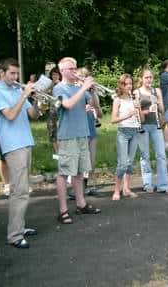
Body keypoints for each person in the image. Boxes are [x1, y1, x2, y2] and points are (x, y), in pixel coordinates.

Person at [0, 58, 39, 249]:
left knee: (23, 189)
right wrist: (24, 96)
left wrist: (36, 102)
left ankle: (20, 227)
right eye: (12, 73)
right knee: (19, 191)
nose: (16, 77)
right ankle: (14, 235)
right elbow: (10, 115)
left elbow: (32, 115)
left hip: (26, 141)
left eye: (17, 73)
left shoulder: (17, 90)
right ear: (1, 73)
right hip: (12, 145)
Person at [53, 57, 101, 225]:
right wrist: (84, 88)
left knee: (80, 172)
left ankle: (81, 204)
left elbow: (93, 104)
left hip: (82, 134)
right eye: (70, 68)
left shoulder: (78, 87)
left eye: (75, 67)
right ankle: (63, 211)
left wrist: (92, 90)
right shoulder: (59, 88)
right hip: (67, 136)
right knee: (64, 172)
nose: (74, 71)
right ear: (62, 71)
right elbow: (68, 105)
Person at [135, 69, 168, 194]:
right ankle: (148, 184)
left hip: (156, 126)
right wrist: (144, 111)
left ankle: (163, 185)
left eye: (150, 77)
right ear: (142, 78)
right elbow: (135, 111)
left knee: (161, 155)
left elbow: (162, 110)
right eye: (146, 77)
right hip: (143, 126)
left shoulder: (156, 91)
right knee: (145, 156)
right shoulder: (137, 92)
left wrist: (157, 102)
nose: (149, 80)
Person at [110, 74, 143, 200]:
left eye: (130, 84)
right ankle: (116, 190)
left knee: (129, 163)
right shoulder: (117, 100)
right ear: (121, 85)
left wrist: (139, 109)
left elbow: (142, 119)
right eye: (126, 84)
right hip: (123, 132)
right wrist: (128, 115)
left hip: (135, 131)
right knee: (122, 163)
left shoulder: (134, 99)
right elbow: (113, 120)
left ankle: (127, 189)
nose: (129, 86)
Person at [76, 67, 102, 196]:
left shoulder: (91, 92)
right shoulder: (76, 91)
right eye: (83, 77)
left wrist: (93, 94)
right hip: (80, 131)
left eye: (87, 76)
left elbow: (100, 113)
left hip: (92, 130)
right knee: (81, 162)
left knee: (91, 162)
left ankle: (84, 187)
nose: (86, 79)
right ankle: (77, 190)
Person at [46, 66, 61, 158]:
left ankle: (62, 153)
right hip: (52, 111)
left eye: (56, 74)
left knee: (60, 132)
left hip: (60, 112)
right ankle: (56, 154)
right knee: (52, 131)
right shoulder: (49, 85)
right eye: (53, 75)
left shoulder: (62, 85)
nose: (54, 76)